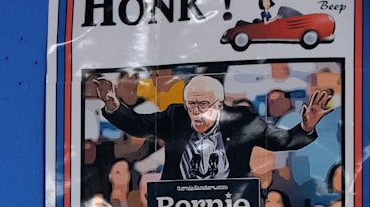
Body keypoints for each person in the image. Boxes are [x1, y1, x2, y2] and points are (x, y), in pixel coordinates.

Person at [91, 74, 333, 181]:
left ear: (218, 105)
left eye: (203, 104)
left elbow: (281, 140)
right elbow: (138, 125)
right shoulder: (175, 116)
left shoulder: (242, 120)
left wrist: (306, 127)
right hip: (178, 204)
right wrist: (113, 104)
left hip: (230, 203)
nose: (196, 110)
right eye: (191, 104)